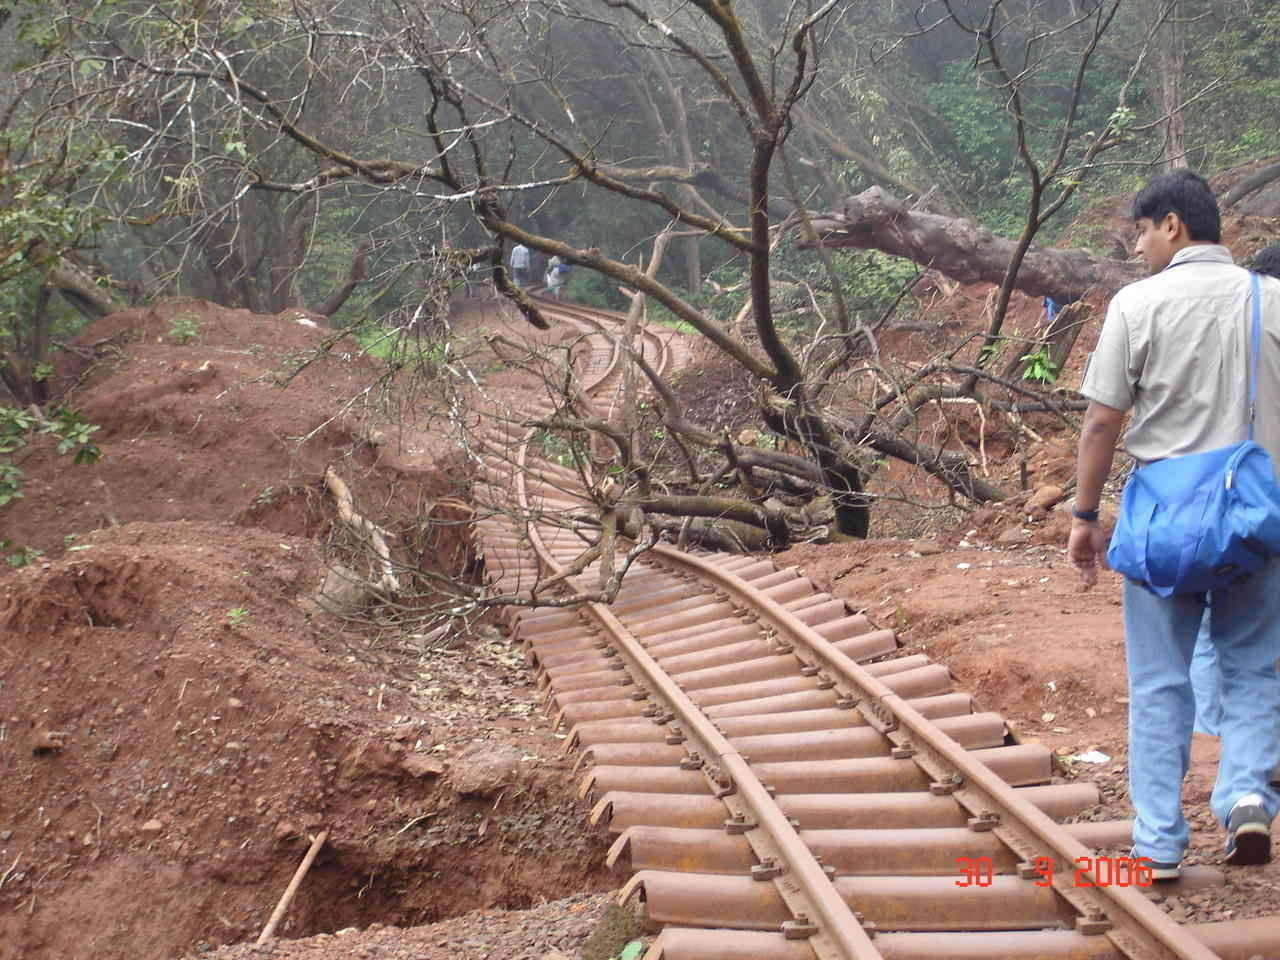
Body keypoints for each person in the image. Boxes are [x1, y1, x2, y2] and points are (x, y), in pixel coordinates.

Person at [1069, 170, 1280, 879]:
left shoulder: (1138, 305)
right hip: (1256, 518)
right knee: (1254, 667)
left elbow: (1102, 419)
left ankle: (1158, 844)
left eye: (1141, 231)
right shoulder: (1272, 298)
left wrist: (1084, 516)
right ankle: (1247, 791)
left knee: (1162, 681)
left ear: (1172, 225)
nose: (1138, 247)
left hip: (1162, 520)